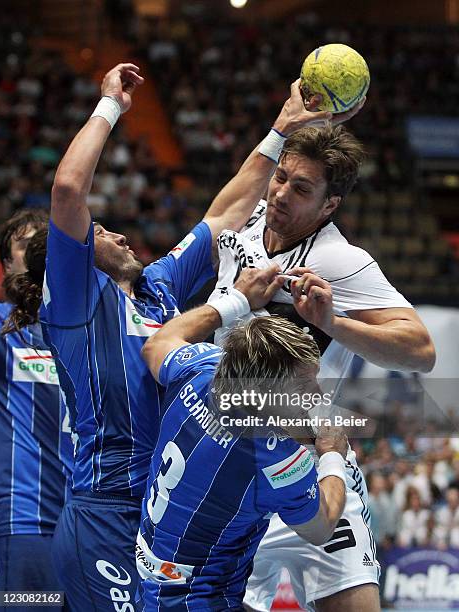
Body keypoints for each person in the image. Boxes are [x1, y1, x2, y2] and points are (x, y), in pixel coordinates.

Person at [40, 62, 354, 610]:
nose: (113, 229)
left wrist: (281, 130)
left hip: (150, 513)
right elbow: (68, 189)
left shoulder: (157, 287)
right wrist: (110, 105)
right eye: (99, 232)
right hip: (105, 510)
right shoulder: (77, 303)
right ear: (82, 255)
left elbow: (225, 215)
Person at [207, 125, 436, 611]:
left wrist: (335, 322)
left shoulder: (340, 260)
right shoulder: (246, 220)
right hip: (236, 470)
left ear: (330, 205)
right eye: (282, 178)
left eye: (302, 188)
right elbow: (215, 217)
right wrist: (281, 125)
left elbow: (420, 350)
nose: (281, 194)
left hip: (315, 467)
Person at [137, 265, 349, 610]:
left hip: (149, 587)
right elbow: (321, 526)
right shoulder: (276, 459)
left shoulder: (203, 370)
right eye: (303, 385)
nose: (315, 393)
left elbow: (157, 345)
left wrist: (235, 299)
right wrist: (331, 456)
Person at [0, 212, 73, 612]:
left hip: (92, 529)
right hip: (28, 522)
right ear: (8, 264)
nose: (41, 250)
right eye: (27, 245)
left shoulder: (91, 328)